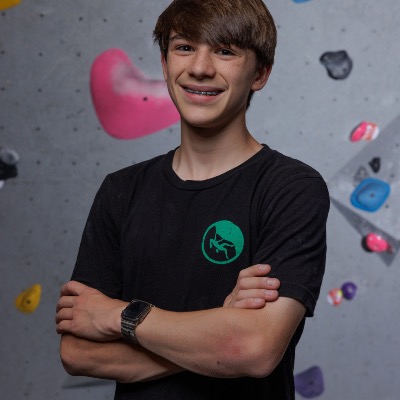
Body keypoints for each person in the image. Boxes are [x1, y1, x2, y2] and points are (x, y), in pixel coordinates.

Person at [55, 0, 330, 399]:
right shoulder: (120, 191)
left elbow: (254, 350)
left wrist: (119, 316)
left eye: (225, 51)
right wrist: (220, 335)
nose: (200, 68)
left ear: (260, 73)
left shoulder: (291, 188)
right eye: (184, 47)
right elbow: (78, 352)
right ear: (165, 63)